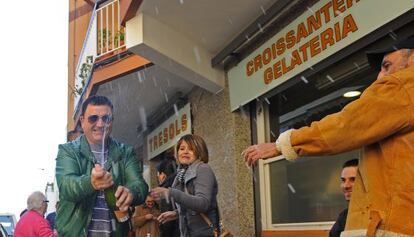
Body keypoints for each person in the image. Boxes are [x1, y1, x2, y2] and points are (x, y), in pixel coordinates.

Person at [243, 36, 414, 237]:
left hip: (391, 225)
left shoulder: (405, 85)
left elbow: (347, 125)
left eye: (386, 66)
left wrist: (284, 144)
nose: (380, 76)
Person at [55, 95, 148, 237]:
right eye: (93, 118)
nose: (100, 124)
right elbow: (67, 186)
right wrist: (91, 182)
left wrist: (131, 193)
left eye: (106, 118)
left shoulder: (125, 152)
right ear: (82, 121)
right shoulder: (68, 150)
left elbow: (140, 186)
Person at [151, 134, 219, 237]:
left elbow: (203, 203)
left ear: (199, 151)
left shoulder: (202, 169)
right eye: (182, 148)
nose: (185, 152)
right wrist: (176, 214)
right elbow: (191, 208)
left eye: (191, 149)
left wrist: (170, 192)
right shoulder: (181, 174)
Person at [330, 159, 358, 237]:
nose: (346, 186)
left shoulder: (376, 215)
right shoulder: (344, 216)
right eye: (343, 180)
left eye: (353, 179)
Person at [156, 158, 180, 237]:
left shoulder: (165, 191)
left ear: (163, 175)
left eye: (158, 174)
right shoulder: (181, 185)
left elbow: (167, 223)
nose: (158, 177)